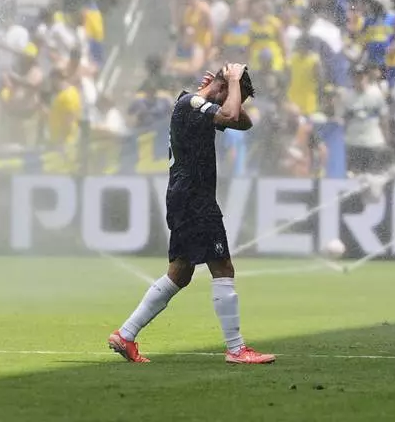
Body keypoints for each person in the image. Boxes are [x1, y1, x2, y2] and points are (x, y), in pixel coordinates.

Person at [108, 64, 274, 365]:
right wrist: (234, 82)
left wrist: (231, 87)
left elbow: (243, 122)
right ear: (223, 88)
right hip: (195, 199)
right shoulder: (194, 103)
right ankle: (236, 349)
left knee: (180, 273)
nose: (237, 101)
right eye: (236, 94)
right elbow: (233, 115)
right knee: (223, 267)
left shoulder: (197, 105)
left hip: (185, 197)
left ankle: (126, 334)